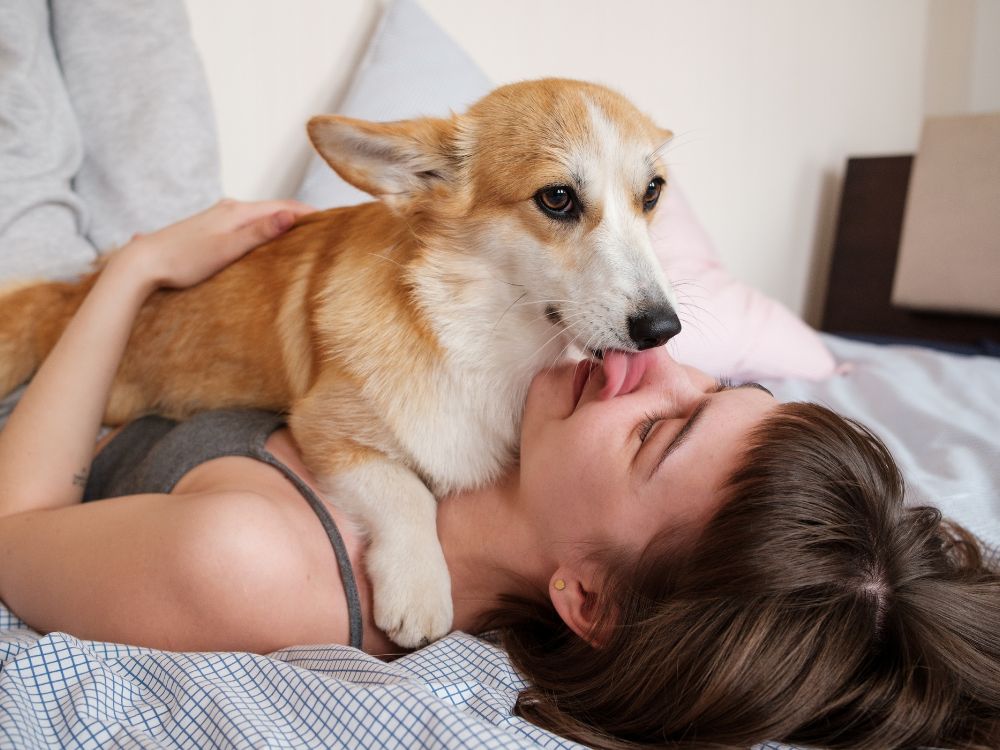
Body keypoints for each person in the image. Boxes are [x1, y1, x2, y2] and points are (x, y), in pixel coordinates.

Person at [0, 202, 997, 750]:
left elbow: (16, 526)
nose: (657, 361)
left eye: (660, 432)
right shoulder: (518, 416)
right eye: (719, 383)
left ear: (588, 599)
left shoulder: (257, 564)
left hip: (44, 367)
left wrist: (136, 271)